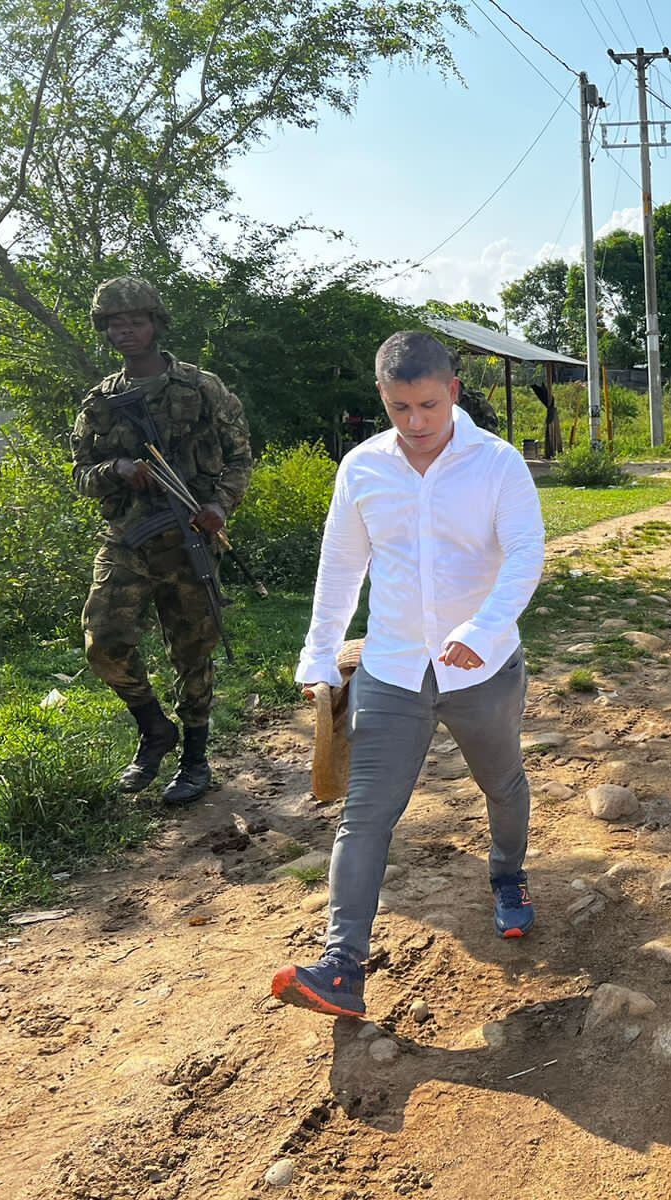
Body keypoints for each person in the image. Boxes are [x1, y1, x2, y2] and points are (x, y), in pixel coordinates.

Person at [273, 331, 545, 1019]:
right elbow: (341, 566)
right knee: (365, 813)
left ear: (452, 391)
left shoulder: (498, 463)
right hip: (392, 668)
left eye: (428, 404)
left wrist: (482, 631)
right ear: (382, 397)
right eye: (400, 407)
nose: (416, 422)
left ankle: (508, 876)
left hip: (481, 670)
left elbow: (524, 555)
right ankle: (342, 966)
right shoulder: (363, 468)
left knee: (502, 783)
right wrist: (319, 654)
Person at [71, 276, 254, 805]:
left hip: (189, 537)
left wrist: (220, 506)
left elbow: (240, 457)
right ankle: (154, 728)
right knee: (103, 642)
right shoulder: (100, 403)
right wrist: (117, 469)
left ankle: (195, 758)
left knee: (192, 652)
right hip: (128, 539)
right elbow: (81, 474)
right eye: (115, 323)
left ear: (155, 324)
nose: (125, 331)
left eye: (135, 321)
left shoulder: (202, 388)